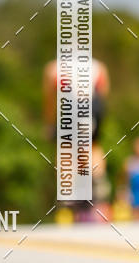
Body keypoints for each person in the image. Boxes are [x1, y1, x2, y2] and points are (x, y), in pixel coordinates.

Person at [44, 57, 111, 220]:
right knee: (93, 146)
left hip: (71, 105)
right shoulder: (98, 65)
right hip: (93, 106)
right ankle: (98, 183)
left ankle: (68, 193)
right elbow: (103, 94)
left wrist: (49, 122)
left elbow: (50, 98)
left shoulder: (53, 67)